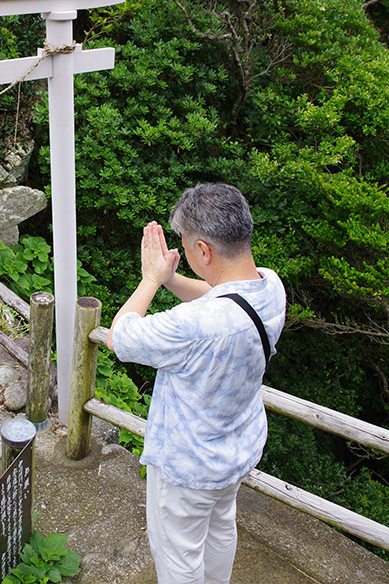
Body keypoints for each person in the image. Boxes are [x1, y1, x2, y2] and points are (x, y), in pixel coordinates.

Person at [106, 183, 286, 584]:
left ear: (203, 250)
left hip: (188, 466)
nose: (184, 250)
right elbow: (220, 294)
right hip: (236, 447)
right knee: (220, 527)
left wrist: (150, 280)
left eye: (186, 244)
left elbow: (121, 337)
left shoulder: (194, 326)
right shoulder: (270, 286)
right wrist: (172, 280)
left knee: (179, 557)